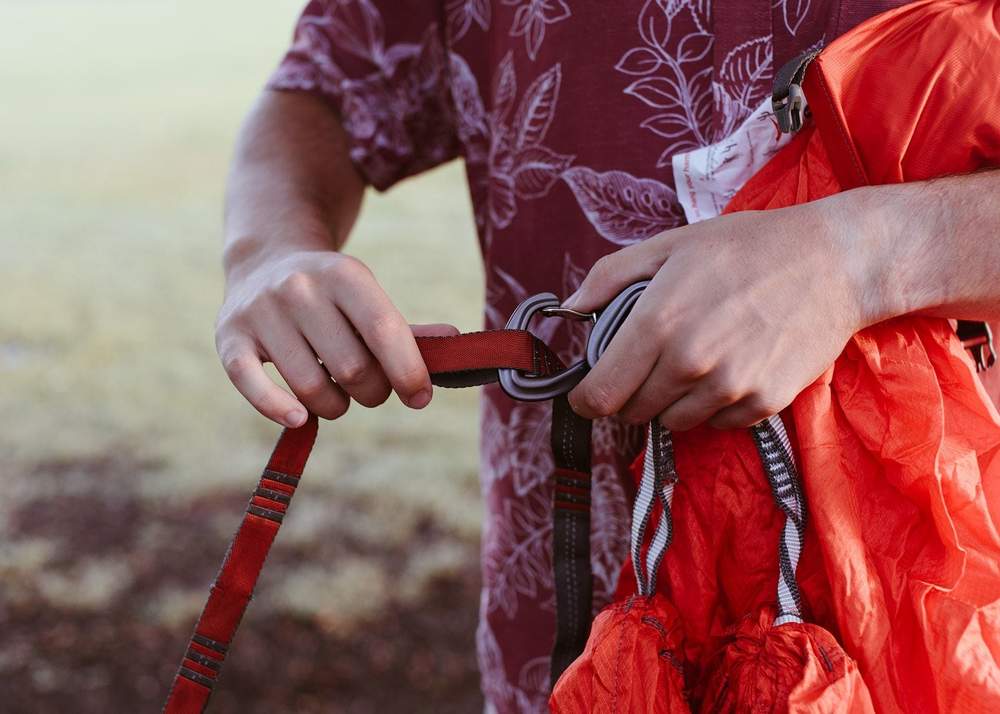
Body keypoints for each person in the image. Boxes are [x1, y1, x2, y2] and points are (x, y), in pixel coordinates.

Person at [215, 1, 1000, 711]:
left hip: (937, 625)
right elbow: (322, 90)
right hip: (563, 617)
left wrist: (860, 259)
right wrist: (269, 249)